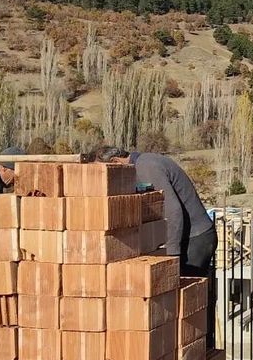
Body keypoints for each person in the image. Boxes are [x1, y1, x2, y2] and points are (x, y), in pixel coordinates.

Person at [93, 147, 218, 348]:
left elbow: (174, 212)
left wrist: (172, 255)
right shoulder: (146, 162)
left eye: (107, 171)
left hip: (195, 239)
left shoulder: (145, 167)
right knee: (189, 302)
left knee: (189, 302)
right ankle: (196, 350)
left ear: (116, 162)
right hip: (194, 237)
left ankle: (198, 351)